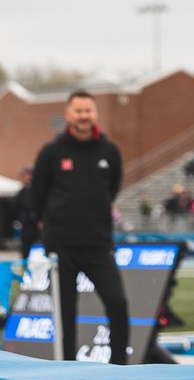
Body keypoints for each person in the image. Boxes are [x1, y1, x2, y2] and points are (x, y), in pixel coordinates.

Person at [30, 90, 129, 364]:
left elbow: (112, 188)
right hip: (61, 248)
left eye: (88, 111)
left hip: (98, 245)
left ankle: (120, 367)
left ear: (95, 114)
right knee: (65, 313)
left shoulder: (109, 151)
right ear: (68, 114)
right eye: (78, 111)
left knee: (118, 303)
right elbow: (37, 196)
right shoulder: (52, 152)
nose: (83, 116)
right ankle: (67, 368)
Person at [10, 167, 39, 259]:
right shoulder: (29, 189)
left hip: (31, 223)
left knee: (28, 247)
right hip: (30, 223)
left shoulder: (28, 190)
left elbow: (18, 206)